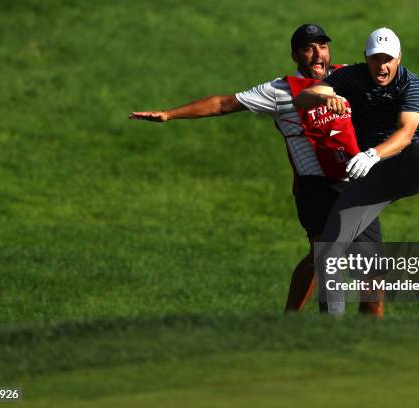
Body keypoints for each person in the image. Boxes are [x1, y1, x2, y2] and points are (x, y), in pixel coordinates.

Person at [129, 24, 384, 316]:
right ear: (295, 55)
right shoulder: (280, 90)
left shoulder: (348, 76)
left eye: (322, 46)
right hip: (314, 186)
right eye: (308, 48)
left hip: (355, 183)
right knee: (323, 253)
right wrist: (169, 115)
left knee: (373, 276)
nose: (317, 54)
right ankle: (291, 321)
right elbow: (224, 103)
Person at [293, 27, 419, 314]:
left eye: (388, 59)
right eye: (375, 59)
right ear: (365, 58)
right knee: (329, 250)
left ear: (398, 58)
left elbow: (407, 133)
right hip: (373, 177)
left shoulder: (410, 83)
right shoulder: (350, 77)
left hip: (409, 168)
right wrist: (322, 97)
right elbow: (303, 98)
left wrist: (373, 153)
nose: (381, 66)